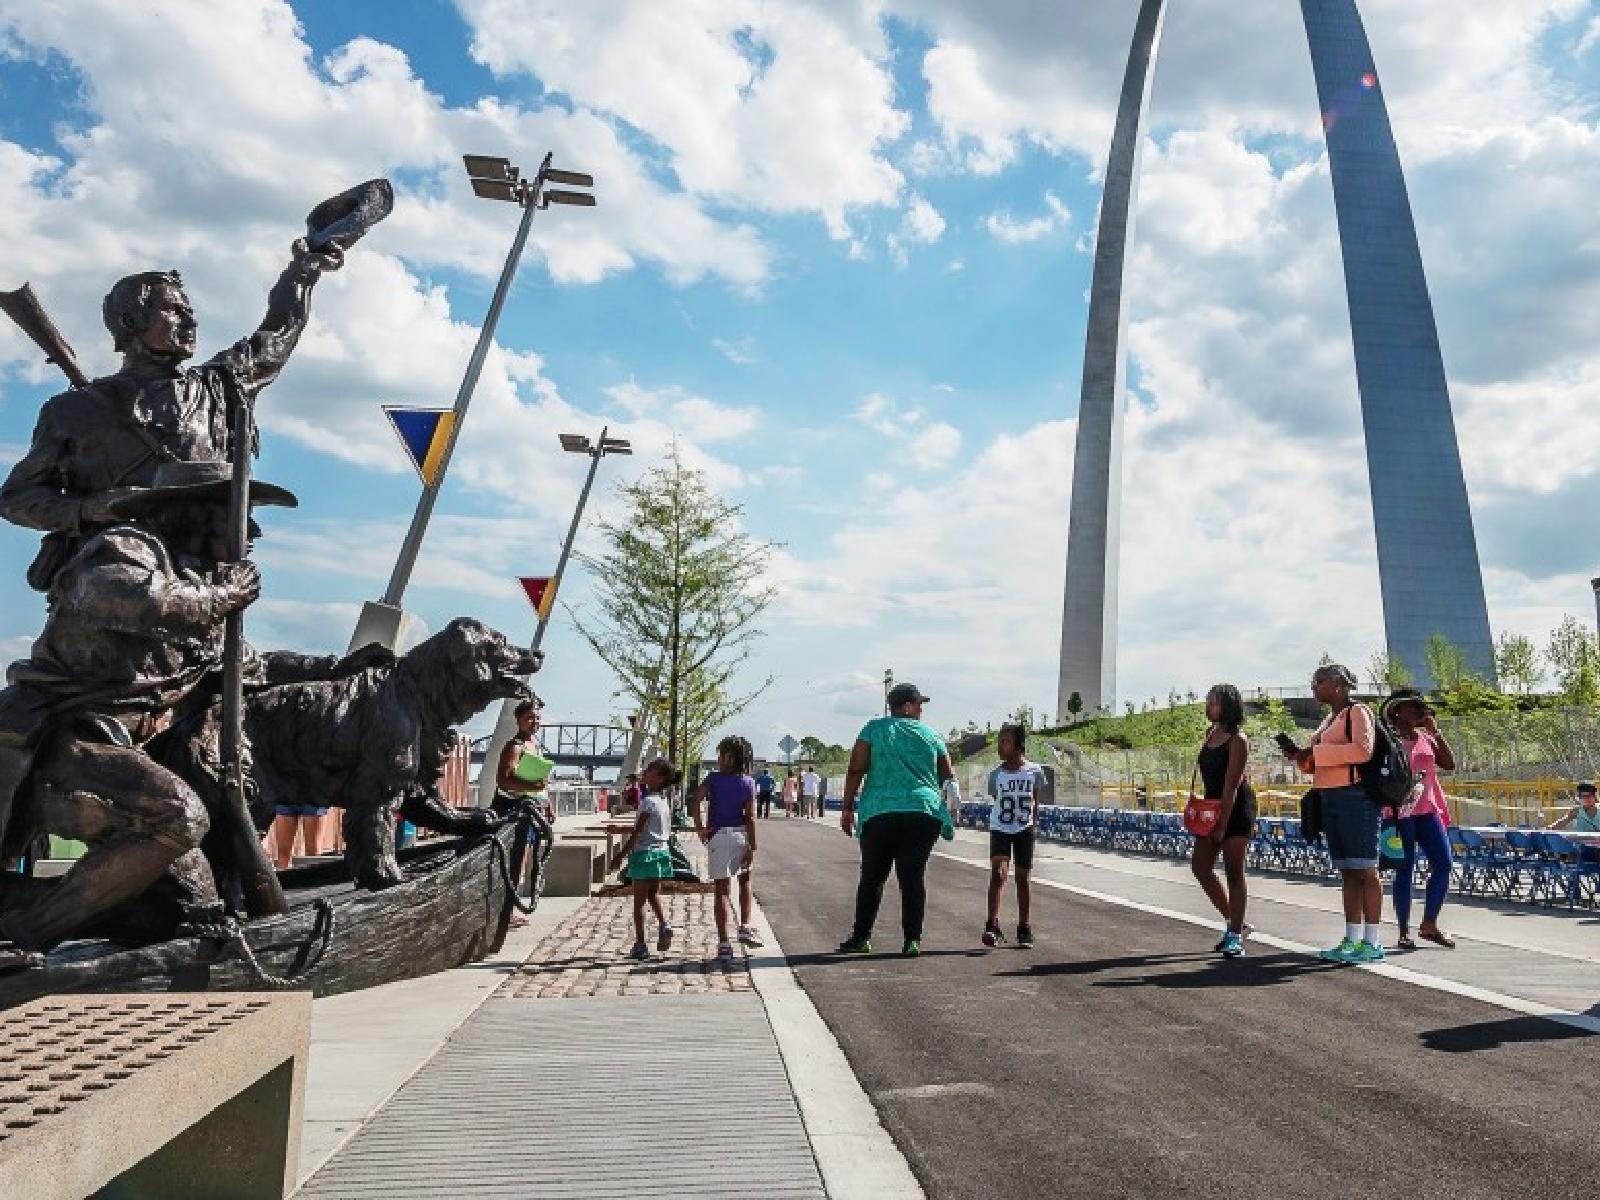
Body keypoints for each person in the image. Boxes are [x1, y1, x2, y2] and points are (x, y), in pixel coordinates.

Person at [0, 460, 292, 969]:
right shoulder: (126, 547)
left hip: (117, 750)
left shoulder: (197, 584)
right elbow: (134, 599)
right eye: (238, 516)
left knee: (179, 911)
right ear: (196, 513)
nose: (252, 534)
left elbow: (250, 667)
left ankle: (28, 903)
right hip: (58, 735)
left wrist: (343, 667)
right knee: (178, 814)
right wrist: (221, 597)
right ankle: (27, 930)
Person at [0, 244, 342, 592]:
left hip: (206, 583)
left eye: (190, 311)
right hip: (110, 583)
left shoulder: (220, 387)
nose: (190, 321)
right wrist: (88, 509)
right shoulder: (72, 412)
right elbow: (16, 499)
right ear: (131, 321)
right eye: (174, 311)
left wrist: (303, 271)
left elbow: (278, 331)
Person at [837, 682, 956, 957]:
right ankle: (912, 940)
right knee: (912, 876)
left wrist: (847, 807)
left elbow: (856, 768)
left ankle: (861, 937)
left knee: (872, 876)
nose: (921, 710)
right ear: (907, 706)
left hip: (881, 811)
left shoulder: (873, 729)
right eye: (919, 704)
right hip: (923, 812)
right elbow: (947, 776)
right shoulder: (932, 735)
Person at [1284, 663, 1383, 964]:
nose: (1313, 687)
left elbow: (1363, 751)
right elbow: (1320, 761)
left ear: (1338, 684)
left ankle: (1373, 942)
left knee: (1365, 869)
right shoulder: (1329, 720)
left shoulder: (1358, 713)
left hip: (1355, 797)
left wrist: (1318, 754)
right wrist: (1303, 757)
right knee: (1348, 870)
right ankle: (1352, 938)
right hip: (1331, 796)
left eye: (1318, 682)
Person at [1383, 689, 1456, 950]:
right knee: (1404, 870)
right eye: (1412, 707)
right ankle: (1404, 931)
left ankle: (1429, 924)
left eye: (1420, 708)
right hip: (1398, 813)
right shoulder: (1387, 739)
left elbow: (1449, 764)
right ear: (1396, 711)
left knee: (1444, 864)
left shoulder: (1426, 737)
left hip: (1427, 810)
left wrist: (1435, 731)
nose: (1418, 712)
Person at [1190, 685, 1256, 958]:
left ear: (1227, 706)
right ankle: (1236, 923)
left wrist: (1221, 824)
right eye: (1207, 702)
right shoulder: (1210, 735)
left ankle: (1234, 937)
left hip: (1235, 809)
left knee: (1233, 872)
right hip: (1211, 808)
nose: (1208, 707)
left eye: (1213, 703)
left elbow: (1231, 786)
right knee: (1200, 867)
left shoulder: (1238, 740)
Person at [691, 736, 763, 959]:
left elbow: (696, 801)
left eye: (721, 754)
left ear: (730, 758)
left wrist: (699, 828)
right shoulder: (749, 782)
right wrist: (753, 846)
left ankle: (724, 942)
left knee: (721, 890)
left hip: (718, 835)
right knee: (745, 881)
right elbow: (750, 817)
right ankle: (745, 925)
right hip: (741, 834)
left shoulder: (712, 779)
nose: (718, 758)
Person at [982, 723, 1048, 949]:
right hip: (1001, 827)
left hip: (1024, 829)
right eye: (999, 741)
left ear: (1018, 745)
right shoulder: (996, 775)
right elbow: (996, 800)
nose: (1000, 746)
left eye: (1005, 742)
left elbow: (1035, 799)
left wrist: (1033, 824)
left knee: (1022, 878)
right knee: (998, 874)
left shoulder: (1034, 771)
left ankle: (1024, 927)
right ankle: (991, 924)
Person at [610, 758, 681, 960]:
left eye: (649, 769)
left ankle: (640, 944)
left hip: (644, 855)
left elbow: (639, 833)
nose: (645, 771)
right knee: (653, 894)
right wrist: (620, 829)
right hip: (661, 853)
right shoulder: (663, 802)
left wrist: (620, 856)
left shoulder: (648, 802)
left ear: (659, 778)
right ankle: (664, 923)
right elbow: (652, 830)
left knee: (639, 902)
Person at [269, 801, 331, 869]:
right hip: (287, 798)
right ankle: (284, 879)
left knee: (313, 855)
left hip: (314, 798)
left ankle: (312, 878)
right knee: (283, 856)